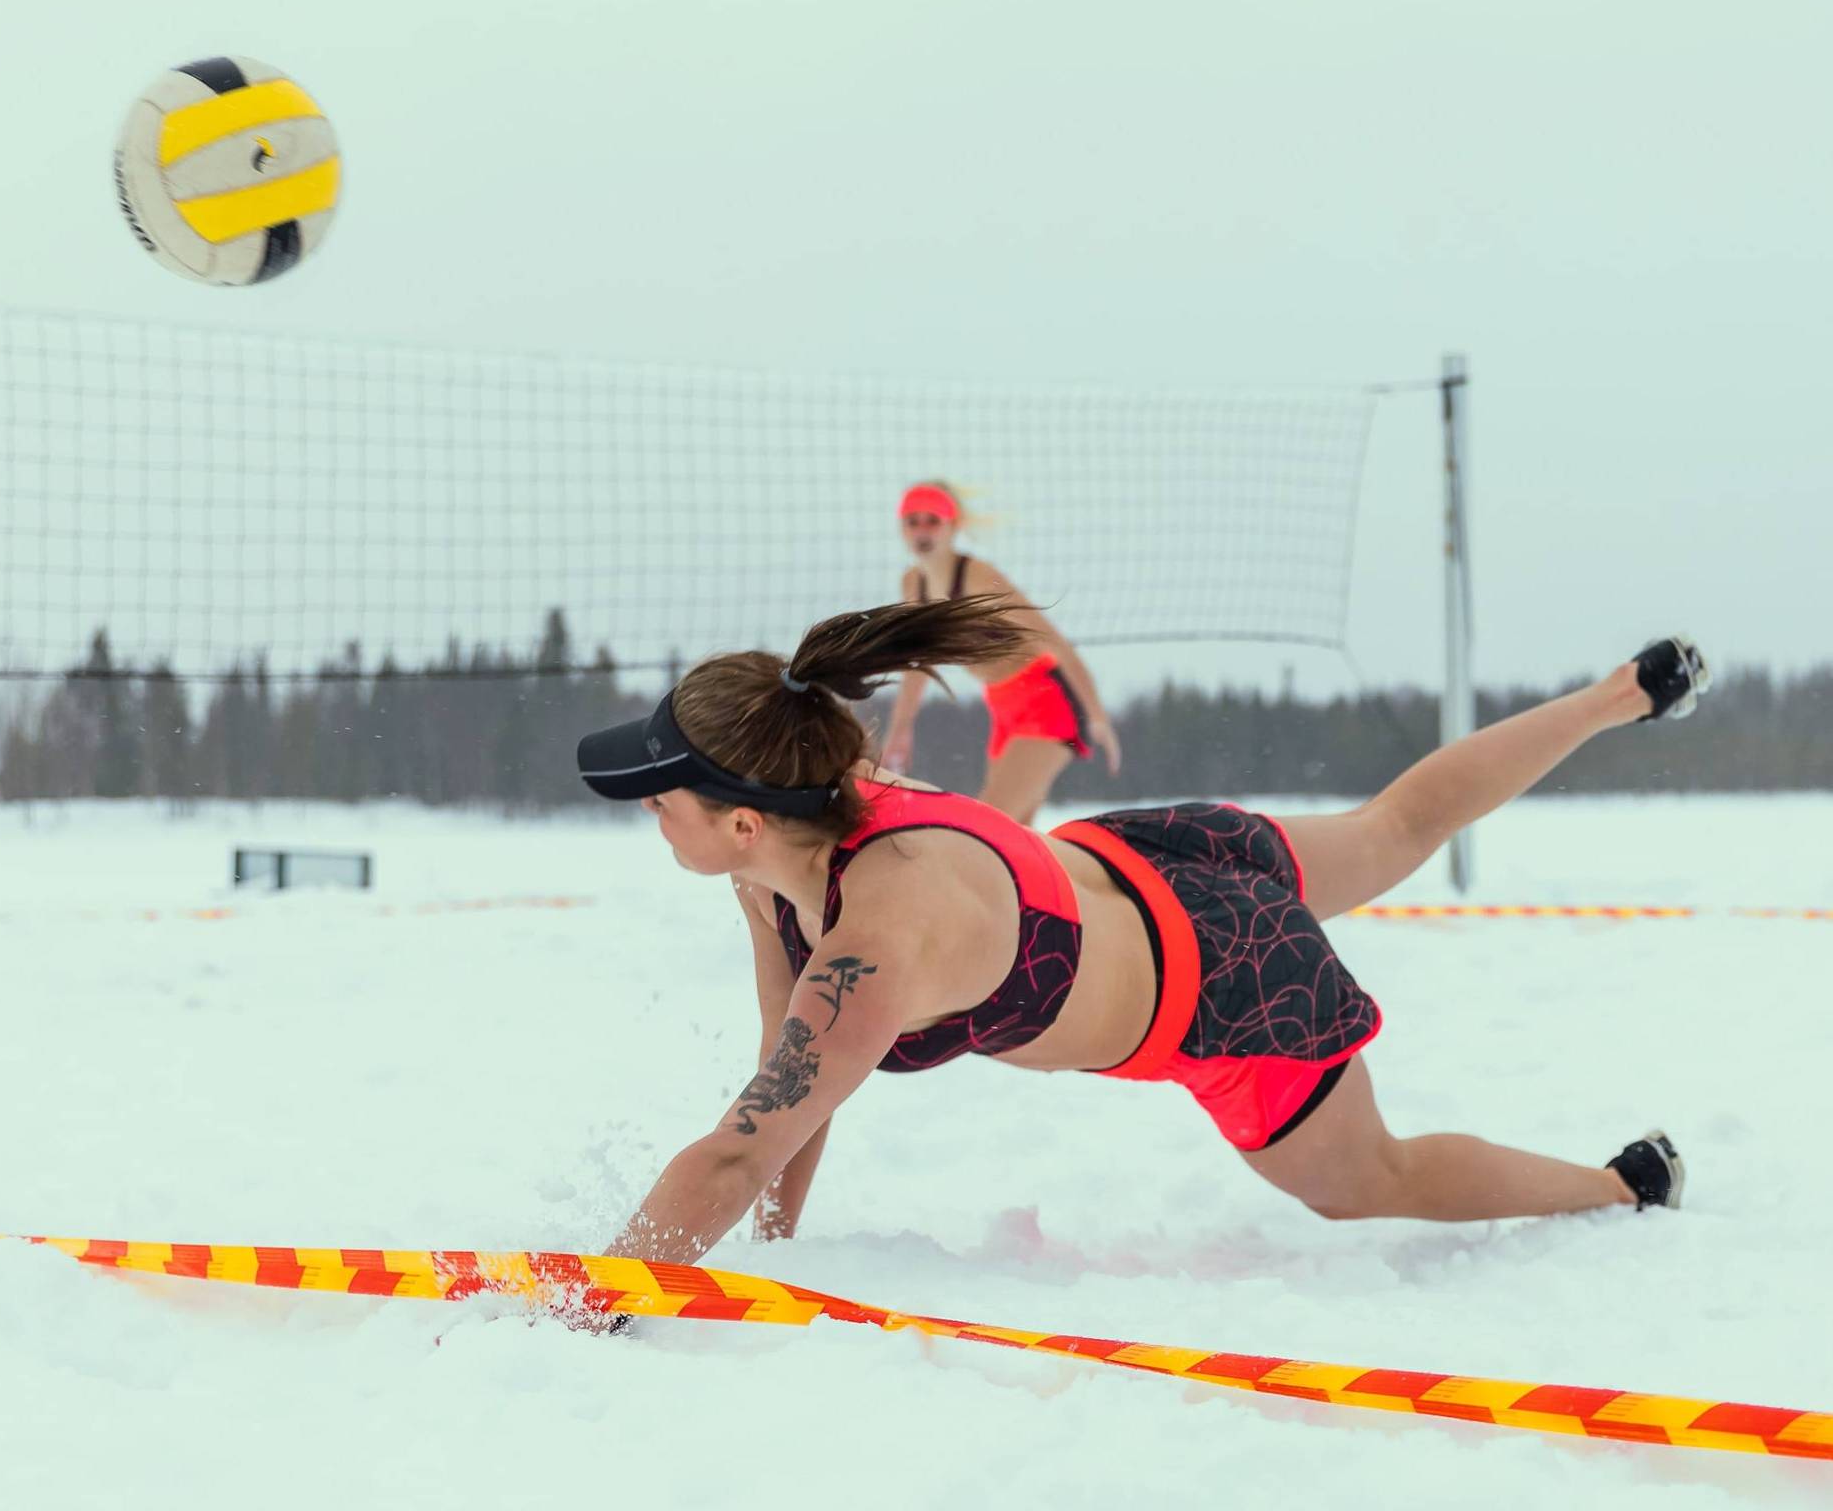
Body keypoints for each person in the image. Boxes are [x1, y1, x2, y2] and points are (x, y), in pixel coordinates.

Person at [575, 595, 1709, 1267]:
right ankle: (1624, 693)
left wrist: (596, 1303)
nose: (644, 810)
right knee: (1395, 824)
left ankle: (1622, 1188)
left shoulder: (881, 931)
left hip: (1221, 986)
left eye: (659, 796)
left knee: (1367, 1178)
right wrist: (769, 1262)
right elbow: (790, 1090)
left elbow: (743, 1143)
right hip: (1151, 856)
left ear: (734, 823)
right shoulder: (805, 809)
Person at [880, 481, 1120, 822]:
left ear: (953, 527)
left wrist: (1097, 716)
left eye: (932, 520)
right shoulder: (913, 584)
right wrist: (900, 729)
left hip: (1046, 701)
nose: (922, 530)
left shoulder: (976, 575)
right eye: (912, 521)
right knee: (1015, 843)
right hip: (1002, 707)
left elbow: (1054, 641)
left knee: (987, 828)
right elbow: (918, 664)